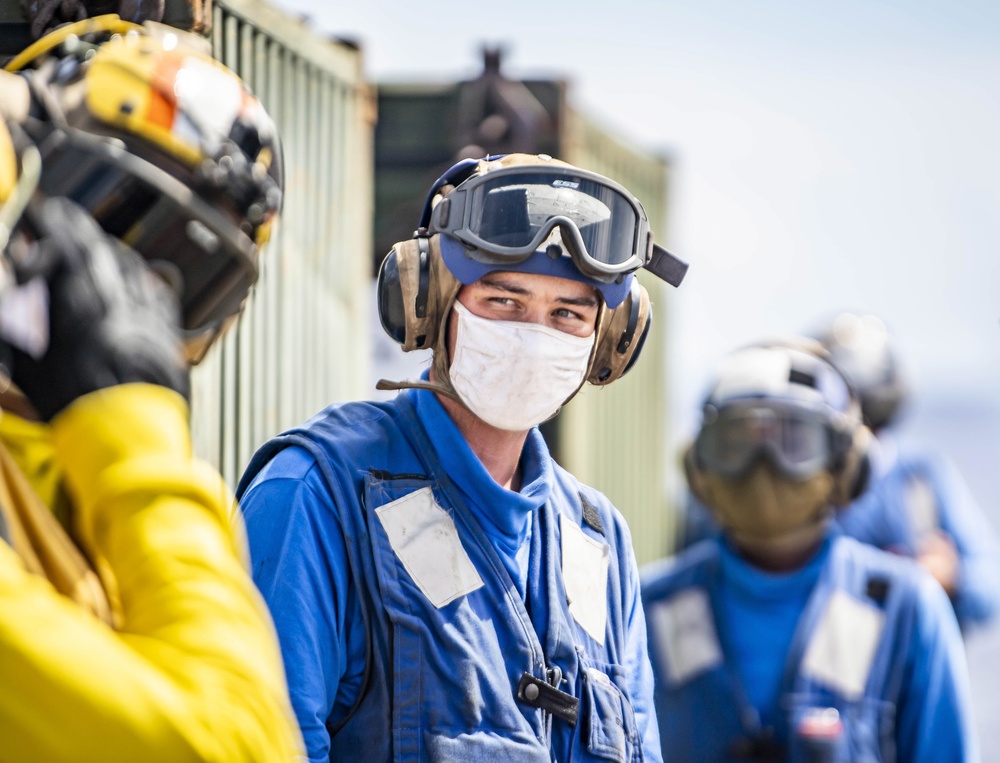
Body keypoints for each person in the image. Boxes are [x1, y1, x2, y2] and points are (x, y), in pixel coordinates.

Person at [237, 152, 689, 762]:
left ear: (609, 340)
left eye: (568, 314)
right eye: (504, 302)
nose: (535, 337)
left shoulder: (599, 539)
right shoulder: (317, 494)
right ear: (430, 302)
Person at [0, 17, 303, 761]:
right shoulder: (131, 476)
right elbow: (236, 743)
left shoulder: (77, 494)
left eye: (179, 282)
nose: (113, 293)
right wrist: (134, 443)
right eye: (97, 217)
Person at [641, 341, 978, 762]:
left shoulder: (906, 610)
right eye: (736, 444)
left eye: (795, 440)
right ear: (700, 468)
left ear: (846, 465)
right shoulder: (646, 606)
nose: (764, 465)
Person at [816, 312, 1000, 632]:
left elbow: (989, 586)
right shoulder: (805, 481)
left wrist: (953, 576)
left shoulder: (921, 476)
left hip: (910, 661)